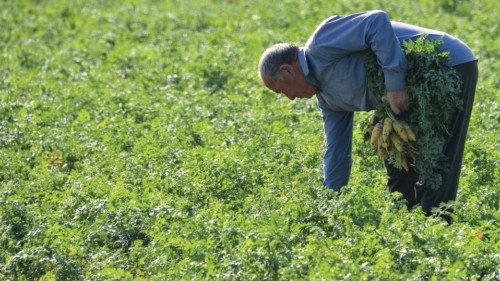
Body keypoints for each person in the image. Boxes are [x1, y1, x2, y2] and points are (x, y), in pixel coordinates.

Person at [258, 10, 478, 220]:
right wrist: (329, 204)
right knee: (397, 157)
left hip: (448, 64)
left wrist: (395, 85)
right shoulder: (328, 99)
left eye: (280, 90)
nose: (289, 98)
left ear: (287, 70)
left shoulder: (321, 43)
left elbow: (376, 22)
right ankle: (410, 226)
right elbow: (337, 151)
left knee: (436, 156)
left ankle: (436, 228)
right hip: (412, 90)